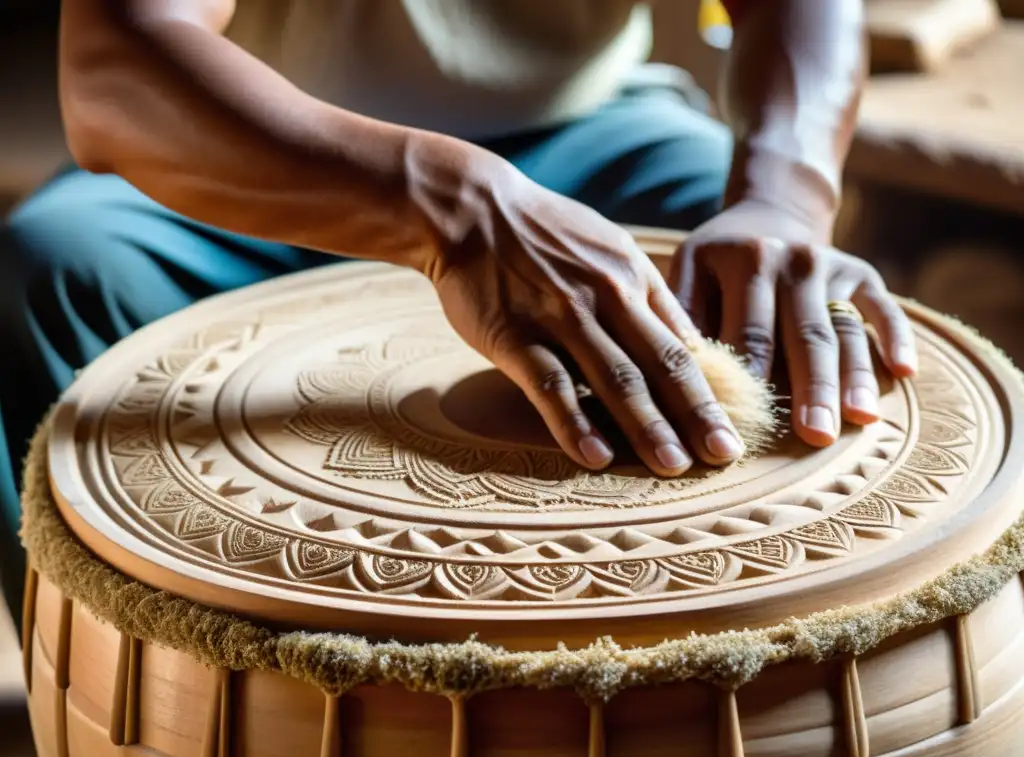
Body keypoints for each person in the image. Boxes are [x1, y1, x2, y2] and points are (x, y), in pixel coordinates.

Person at [0, 0, 916, 616]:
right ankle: (124, 696)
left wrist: (784, 197)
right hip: (255, 149)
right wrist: (454, 210)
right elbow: (116, 69)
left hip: (585, 127)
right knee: (55, 266)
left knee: (775, 294)